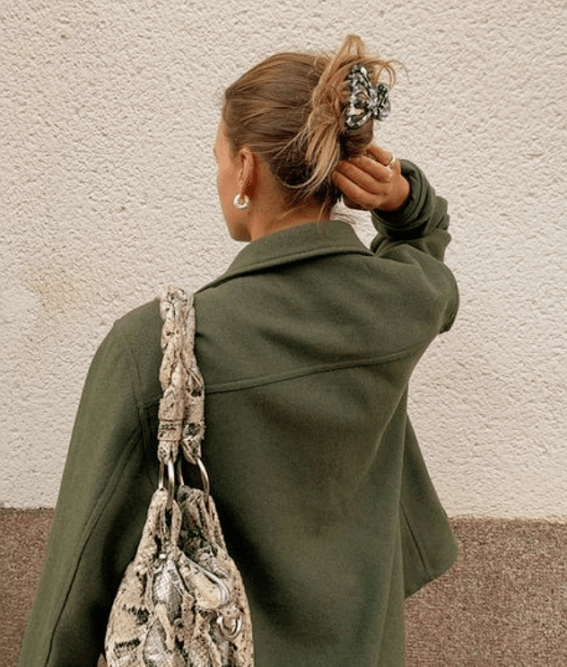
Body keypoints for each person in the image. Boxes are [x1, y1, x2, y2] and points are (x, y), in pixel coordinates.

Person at [19, 34, 459, 667]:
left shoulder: (151, 350)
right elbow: (423, 246)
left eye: (220, 156)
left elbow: (74, 585)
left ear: (247, 169)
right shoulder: (400, 305)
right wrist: (403, 200)